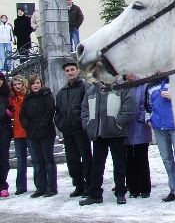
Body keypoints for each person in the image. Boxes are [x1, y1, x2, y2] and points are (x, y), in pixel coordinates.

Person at [80, 78, 135, 206]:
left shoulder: (121, 88)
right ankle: (95, 194)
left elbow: (129, 107)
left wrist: (118, 124)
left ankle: (120, 192)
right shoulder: (92, 90)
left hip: (115, 133)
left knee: (119, 164)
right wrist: (88, 125)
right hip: (98, 133)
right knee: (97, 166)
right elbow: (84, 109)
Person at [54, 60, 93, 198]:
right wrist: (60, 124)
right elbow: (58, 111)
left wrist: (85, 124)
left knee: (86, 158)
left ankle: (90, 185)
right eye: (67, 70)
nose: (70, 72)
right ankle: (78, 185)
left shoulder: (85, 87)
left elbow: (89, 107)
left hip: (81, 130)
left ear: (77, 71)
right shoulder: (62, 92)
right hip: (67, 130)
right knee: (72, 160)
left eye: (72, 69)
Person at [20, 75, 57, 198]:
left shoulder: (47, 95)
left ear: (41, 84)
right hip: (32, 133)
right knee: (37, 161)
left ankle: (51, 187)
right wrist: (27, 125)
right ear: (30, 85)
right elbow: (22, 115)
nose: (35, 85)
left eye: (37, 83)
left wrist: (42, 125)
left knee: (48, 160)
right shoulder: (27, 98)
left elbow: (50, 111)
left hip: (46, 132)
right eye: (33, 83)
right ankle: (40, 187)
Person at [145, 77, 175, 202]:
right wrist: (149, 119)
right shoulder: (150, 85)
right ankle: (174, 189)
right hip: (159, 127)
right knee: (167, 160)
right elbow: (147, 106)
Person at [125, 76, 152, 199]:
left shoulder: (143, 86)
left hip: (140, 126)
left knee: (142, 158)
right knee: (129, 159)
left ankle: (145, 188)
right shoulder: (123, 86)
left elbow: (145, 104)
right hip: (126, 127)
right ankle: (132, 188)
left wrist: (140, 117)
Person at [9, 75, 29, 195]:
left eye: (19, 84)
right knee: (21, 161)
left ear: (23, 84)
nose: (17, 86)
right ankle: (21, 186)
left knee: (37, 160)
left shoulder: (27, 96)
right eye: (15, 84)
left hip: (29, 131)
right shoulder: (11, 99)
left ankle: (40, 185)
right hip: (17, 133)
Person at [0, 72, 12, 198]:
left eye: (1, 79)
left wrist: (9, 112)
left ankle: (3, 185)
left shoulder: (7, 94)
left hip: (4, 128)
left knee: (3, 158)